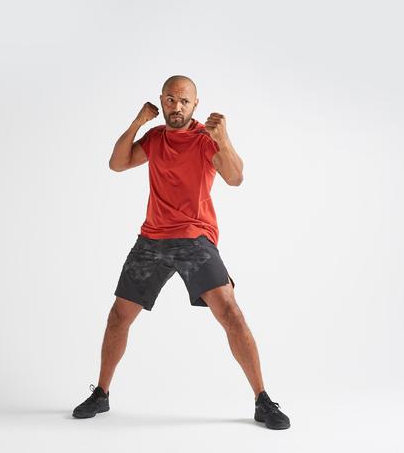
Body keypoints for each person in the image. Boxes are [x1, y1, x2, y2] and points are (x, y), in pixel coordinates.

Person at [72, 75, 291, 430]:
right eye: (171, 100)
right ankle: (101, 394)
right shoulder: (155, 138)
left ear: (195, 105)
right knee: (118, 317)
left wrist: (223, 138)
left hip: (194, 239)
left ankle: (262, 400)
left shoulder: (205, 139)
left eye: (184, 101)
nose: (177, 107)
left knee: (231, 313)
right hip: (152, 240)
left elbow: (235, 178)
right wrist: (138, 122)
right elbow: (117, 163)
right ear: (162, 101)